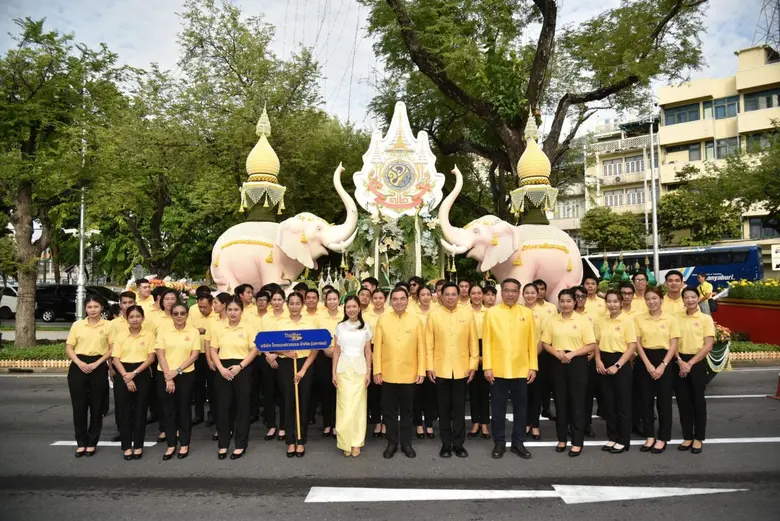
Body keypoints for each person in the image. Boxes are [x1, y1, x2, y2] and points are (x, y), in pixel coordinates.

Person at [483, 278, 537, 460]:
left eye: (514, 291)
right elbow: (487, 343)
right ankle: (499, 442)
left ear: (519, 293)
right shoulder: (491, 313)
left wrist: (533, 367)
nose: (510, 294)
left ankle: (518, 443)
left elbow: (532, 342)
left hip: (521, 369)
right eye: (507, 290)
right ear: (501, 292)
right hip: (497, 369)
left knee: (521, 409)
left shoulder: (527, 314)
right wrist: (487, 367)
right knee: (498, 410)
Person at [426, 282, 479, 458]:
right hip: (440, 369)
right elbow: (429, 343)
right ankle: (446, 444)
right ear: (441, 296)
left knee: (458, 409)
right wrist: (429, 366)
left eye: (453, 294)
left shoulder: (467, 314)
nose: (450, 297)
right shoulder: (433, 315)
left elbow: (473, 342)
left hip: (462, 369)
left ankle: (458, 444)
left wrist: (473, 366)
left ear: (459, 296)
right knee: (443, 409)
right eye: (446, 294)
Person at [542, 289, 597, 457]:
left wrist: (572, 354)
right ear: (558, 302)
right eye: (562, 301)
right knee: (560, 401)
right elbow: (545, 343)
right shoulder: (552, 320)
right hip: (558, 362)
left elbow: (591, 345)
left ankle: (577, 441)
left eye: (569, 301)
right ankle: (561, 438)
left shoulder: (583, 321)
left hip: (577, 362)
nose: (565, 304)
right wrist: (556, 353)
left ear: (575, 302)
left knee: (577, 402)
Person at [373, 287, 425, 459]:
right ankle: (392, 443)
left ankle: (407, 444)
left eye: (402, 299)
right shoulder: (383, 320)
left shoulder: (416, 321)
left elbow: (421, 348)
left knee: (408, 412)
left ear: (407, 300)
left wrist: (421, 370)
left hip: (409, 374)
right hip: (387, 374)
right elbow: (377, 348)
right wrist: (377, 370)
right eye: (395, 299)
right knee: (389, 412)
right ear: (391, 301)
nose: (399, 302)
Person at [269, 292, 320, 458]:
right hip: (285, 364)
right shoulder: (280, 323)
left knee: (303, 404)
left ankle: (301, 440)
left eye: (298, 303)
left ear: (302, 304)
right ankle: (290, 441)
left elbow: (315, 348)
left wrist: (303, 370)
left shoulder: (311, 322)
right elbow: (271, 346)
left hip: (305, 365)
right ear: (287, 304)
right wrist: (285, 352)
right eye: (291, 303)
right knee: (288, 403)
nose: (295, 306)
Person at [210, 297, 259, 460]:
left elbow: (254, 350)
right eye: (230, 310)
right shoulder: (219, 327)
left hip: (242, 368)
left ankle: (240, 445)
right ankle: (223, 444)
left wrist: (240, 366)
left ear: (241, 311)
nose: (232, 313)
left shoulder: (249, 328)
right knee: (223, 408)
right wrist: (221, 369)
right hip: (223, 369)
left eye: (236, 310)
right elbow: (213, 350)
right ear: (226, 310)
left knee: (242, 408)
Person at [635, 286, 681, 454]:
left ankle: (662, 437)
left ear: (661, 300)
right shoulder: (639, 319)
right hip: (645, 361)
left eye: (654, 298)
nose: (651, 302)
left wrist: (662, 365)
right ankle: (649, 436)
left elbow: (674, 344)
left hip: (665, 362)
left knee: (664, 402)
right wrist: (647, 364)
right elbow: (637, 343)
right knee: (646, 402)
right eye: (648, 299)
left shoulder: (670, 319)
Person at [66, 296, 112, 457]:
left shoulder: (108, 325)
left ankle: (92, 441)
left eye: (96, 306)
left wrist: (97, 363)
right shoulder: (77, 325)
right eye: (90, 307)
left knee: (97, 406)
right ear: (85, 308)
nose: (93, 309)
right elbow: (69, 347)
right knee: (79, 407)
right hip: (79, 365)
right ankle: (81, 441)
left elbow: (112, 349)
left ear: (102, 308)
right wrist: (79, 363)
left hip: (98, 365)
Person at [154, 301, 200, 460]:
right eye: (175, 313)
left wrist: (177, 371)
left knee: (184, 410)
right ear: (171, 315)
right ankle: (171, 444)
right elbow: (160, 354)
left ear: (187, 315)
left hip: (185, 375)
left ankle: (185, 444)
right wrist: (169, 375)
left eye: (182, 313)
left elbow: (194, 355)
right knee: (168, 411)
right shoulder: (164, 330)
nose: (179, 316)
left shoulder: (193, 332)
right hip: (165, 374)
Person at [594, 290, 637, 454]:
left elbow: (632, 347)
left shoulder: (627, 321)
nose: (611, 304)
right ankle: (612, 437)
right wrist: (598, 360)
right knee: (608, 404)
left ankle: (623, 439)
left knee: (623, 404)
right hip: (603, 363)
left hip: (621, 364)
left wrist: (617, 366)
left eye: (615, 301)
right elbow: (596, 342)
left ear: (621, 303)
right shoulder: (601, 320)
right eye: (609, 301)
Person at [111, 305, 156, 460]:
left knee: (140, 411)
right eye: (132, 317)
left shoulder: (149, 335)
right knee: (124, 412)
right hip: (123, 372)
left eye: (138, 316)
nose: (135, 319)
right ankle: (126, 447)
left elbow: (151, 358)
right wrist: (125, 376)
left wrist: (134, 373)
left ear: (142, 318)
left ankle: (138, 445)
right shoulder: (120, 336)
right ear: (127, 318)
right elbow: (115, 358)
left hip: (141, 372)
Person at [674, 287, 715, 454]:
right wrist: (679, 360)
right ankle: (687, 436)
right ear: (682, 300)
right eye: (687, 297)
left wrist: (689, 363)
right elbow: (673, 342)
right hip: (679, 362)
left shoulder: (705, 319)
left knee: (698, 401)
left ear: (698, 298)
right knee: (683, 402)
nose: (690, 300)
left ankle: (698, 438)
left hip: (697, 363)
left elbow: (708, 345)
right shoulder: (676, 318)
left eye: (693, 297)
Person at [332, 295, 373, 457]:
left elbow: (368, 352)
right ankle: (344, 442)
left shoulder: (366, 327)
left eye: (354, 306)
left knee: (359, 408)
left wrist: (369, 371)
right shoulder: (340, 327)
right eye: (348, 307)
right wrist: (333, 372)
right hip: (343, 370)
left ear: (359, 308)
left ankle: (356, 442)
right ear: (345, 309)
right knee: (344, 407)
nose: (351, 310)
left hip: (360, 370)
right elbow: (336, 351)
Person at [258, 289, 288, 441]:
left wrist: (277, 354)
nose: (276, 302)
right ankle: (271, 425)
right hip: (267, 358)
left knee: (284, 393)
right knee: (268, 393)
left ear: (284, 301)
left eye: (279, 300)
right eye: (274, 300)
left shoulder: (289, 316)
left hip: (284, 358)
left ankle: (283, 426)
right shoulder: (265, 317)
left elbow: (290, 339)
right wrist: (268, 355)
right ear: (271, 302)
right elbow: (261, 339)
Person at [315, 289, 342, 437]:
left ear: (339, 300)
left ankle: (337, 424)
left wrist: (336, 349)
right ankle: (327, 424)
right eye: (329, 299)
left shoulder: (344, 315)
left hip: (342, 356)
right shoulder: (320, 317)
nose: (332, 302)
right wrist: (325, 347)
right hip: (323, 355)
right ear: (326, 301)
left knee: (339, 391)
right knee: (325, 391)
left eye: (334, 299)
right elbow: (315, 335)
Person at [413, 285, 437, 439]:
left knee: (431, 394)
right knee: (416, 394)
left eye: (428, 294)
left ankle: (429, 424)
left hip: (433, 355)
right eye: (423, 295)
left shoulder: (437, 311)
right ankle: (418, 425)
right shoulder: (411, 312)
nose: (426, 297)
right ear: (418, 297)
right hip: (415, 355)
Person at [523, 283, 546, 441]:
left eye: (533, 292)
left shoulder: (545, 312)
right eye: (527, 293)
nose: (530, 295)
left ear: (538, 294)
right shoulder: (519, 310)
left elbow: (545, 337)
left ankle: (535, 425)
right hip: (520, 358)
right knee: (523, 394)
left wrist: (533, 355)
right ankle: (525, 422)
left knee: (536, 394)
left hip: (539, 356)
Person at [574, 285, 598, 439]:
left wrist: (592, 354)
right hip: (570, 360)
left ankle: (586, 424)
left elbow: (597, 337)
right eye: (577, 297)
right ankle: (572, 424)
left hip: (589, 358)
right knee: (571, 395)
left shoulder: (593, 314)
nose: (580, 299)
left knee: (587, 395)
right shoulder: (565, 313)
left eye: (583, 296)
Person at [187, 293, 215, 427]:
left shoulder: (217, 314)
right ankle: (198, 414)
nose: (202, 310)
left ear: (211, 304)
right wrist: (196, 330)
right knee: (197, 386)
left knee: (212, 386)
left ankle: (212, 414)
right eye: (200, 307)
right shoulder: (192, 311)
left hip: (211, 355)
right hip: (195, 354)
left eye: (205, 307)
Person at [468, 284, 490, 439]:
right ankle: (475, 422)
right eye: (473, 293)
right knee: (473, 390)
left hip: (487, 349)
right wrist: (473, 356)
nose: (476, 296)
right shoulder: (464, 312)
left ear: (483, 295)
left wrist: (485, 356)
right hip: (468, 350)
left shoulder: (489, 312)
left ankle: (484, 423)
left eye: (479, 293)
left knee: (485, 390)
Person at [533, 279, 557, 421]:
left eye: (542, 289)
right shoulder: (527, 307)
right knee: (535, 382)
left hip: (548, 349)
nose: (540, 292)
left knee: (548, 381)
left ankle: (546, 408)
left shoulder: (552, 308)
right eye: (537, 289)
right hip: (532, 350)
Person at [365, 289, 387, 439]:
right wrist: (371, 356)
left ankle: (386, 422)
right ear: (372, 300)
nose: (378, 300)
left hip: (388, 352)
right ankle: (377, 422)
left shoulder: (391, 313)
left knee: (386, 391)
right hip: (370, 351)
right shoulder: (365, 316)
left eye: (381, 298)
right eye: (376, 298)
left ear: (385, 299)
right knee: (373, 391)